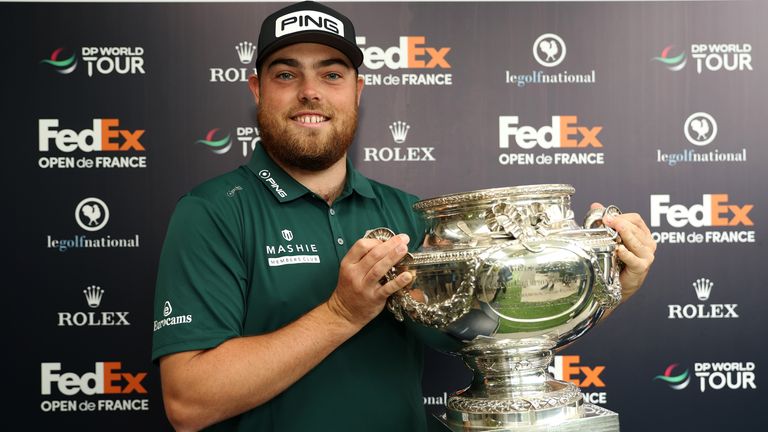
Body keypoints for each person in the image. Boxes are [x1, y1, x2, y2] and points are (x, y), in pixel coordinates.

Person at [151, 2, 656, 431]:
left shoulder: (404, 212)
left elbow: (494, 337)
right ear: (257, 90)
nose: (310, 91)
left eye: (332, 73)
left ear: (357, 91)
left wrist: (608, 288)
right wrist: (340, 314)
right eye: (286, 74)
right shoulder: (212, 212)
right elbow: (190, 403)